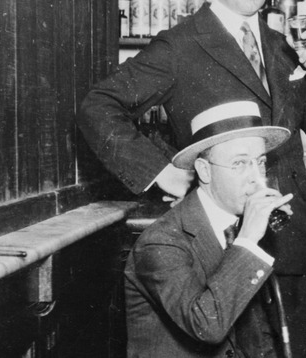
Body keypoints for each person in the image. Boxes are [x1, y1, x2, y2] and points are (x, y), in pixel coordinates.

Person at [77, 0, 306, 354]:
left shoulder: (286, 47)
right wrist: (161, 171)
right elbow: (97, 107)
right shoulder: (181, 45)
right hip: (218, 249)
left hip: (289, 245)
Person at [125, 101, 294, 357]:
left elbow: (257, 336)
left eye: (259, 163)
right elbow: (207, 325)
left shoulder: (240, 228)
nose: (256, 178)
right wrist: (248, 239)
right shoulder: (160, 242)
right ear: (204, 171)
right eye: (239, 163)